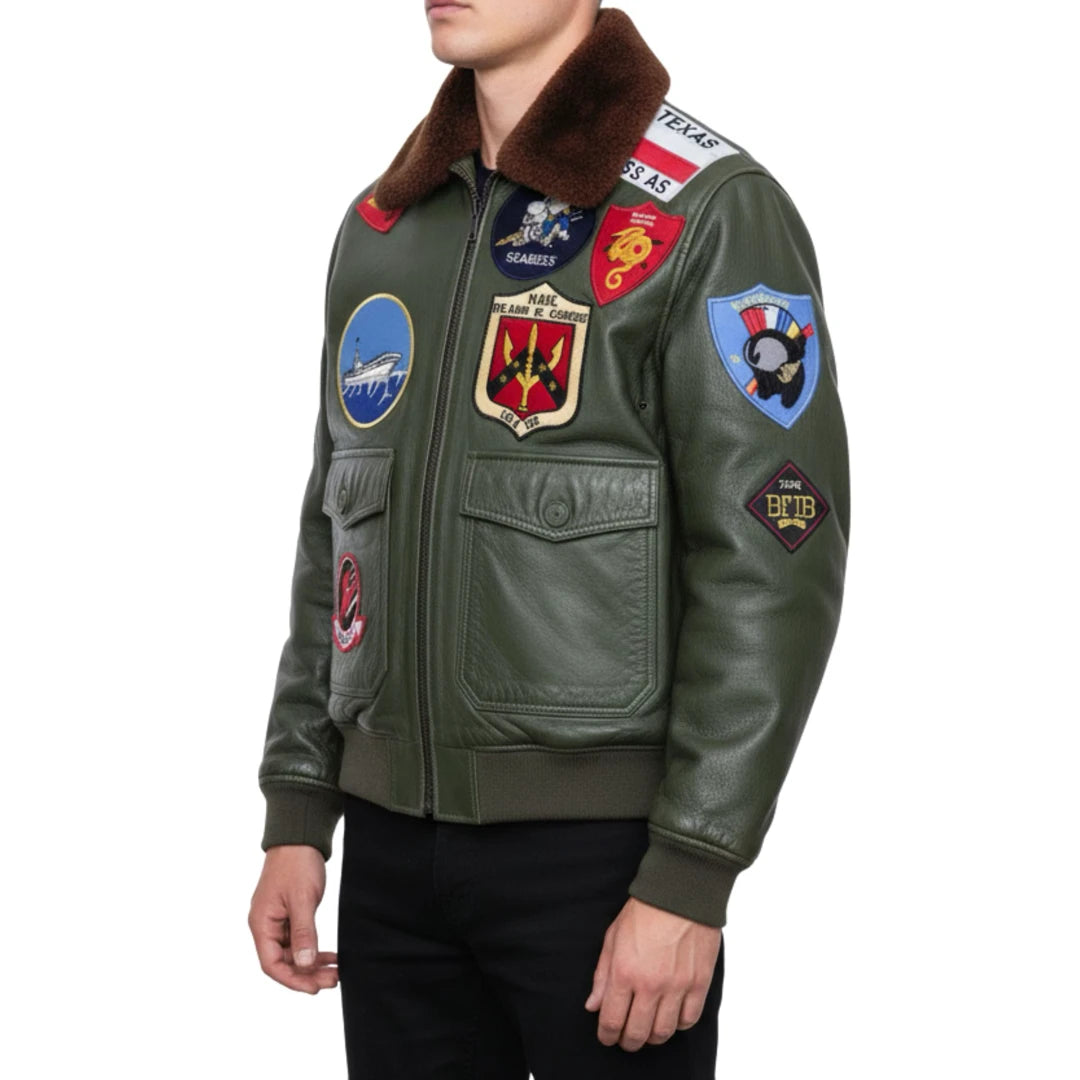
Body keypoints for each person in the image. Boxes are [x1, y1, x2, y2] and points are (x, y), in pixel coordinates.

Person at [248, 2, 849, 1076]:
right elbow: (332, 528)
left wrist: (691, 872)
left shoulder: (706, 210)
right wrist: (299, 805)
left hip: (604, 864)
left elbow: (773, 559)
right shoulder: (387, 227)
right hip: (389, 855)